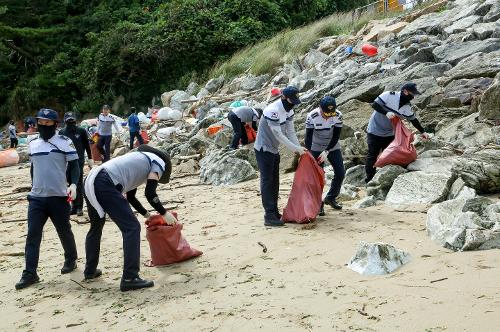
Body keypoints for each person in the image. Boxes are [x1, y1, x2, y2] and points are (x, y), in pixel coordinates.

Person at [83, 145, 175, 291]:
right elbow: (150, 193)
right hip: (104, 181)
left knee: (96, 226)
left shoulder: (139, 159)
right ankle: (130, 278)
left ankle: (90, 271)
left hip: (90, 179)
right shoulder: (158, 162)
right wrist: (164, 213)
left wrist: (148, 215)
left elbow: (131, 197)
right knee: (132, 228)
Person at [15, 108, 80, 290]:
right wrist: (34, 185)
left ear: (55, 124)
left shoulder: (64, 142)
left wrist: (73, 184)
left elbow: (75, 166)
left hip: (58, 196)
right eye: (40, 122)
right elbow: (33, 168)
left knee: (64, 230)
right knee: (32, 236)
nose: (43, 125)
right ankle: (30, 273)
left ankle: (71, 259)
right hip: (36, 198)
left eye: (47, 122)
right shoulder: (33, 143)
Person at [254, 86, 307, 227]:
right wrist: (295, 149)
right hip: (263, 150)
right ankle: (269, 215)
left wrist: (298, 149)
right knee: (267, 182)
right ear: (284, 97)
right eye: (292, 101)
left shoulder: (289, 111)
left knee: (275, 182)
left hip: (274, 150)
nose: (293, 104)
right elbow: (278, 134)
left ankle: (275, 211)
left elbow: (290, 132)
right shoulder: (272, 110)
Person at [365, 82, 429, 183]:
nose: (413, 97)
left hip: (390, 134)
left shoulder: (407, 107)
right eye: (412, 94)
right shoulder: (388, 95)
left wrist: (423, 132)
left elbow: (413, 120)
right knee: (372, 155)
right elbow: (375, 105)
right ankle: (369, 180)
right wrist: (386, 112)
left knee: (390, 156)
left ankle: (385, 178)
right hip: (375, 131)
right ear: (405, 91)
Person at [305, 96, 345, 215]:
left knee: (340, 172)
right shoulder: (312, 116)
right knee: (318, 176)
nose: (328, 116)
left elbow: (336, 136)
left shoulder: (338, 115)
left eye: (330, 113)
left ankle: (331, 197)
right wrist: (310, 152)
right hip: (316, 146)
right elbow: (308, 138)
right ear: (320, 108)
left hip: (332, 145)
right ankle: (318, 203)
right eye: (325, 113)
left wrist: (327, 151)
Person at [59, 112, 94, 216]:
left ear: (75, 120)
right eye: (68, 120)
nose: (71, 122)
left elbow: (87, 146)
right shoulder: (62, 132)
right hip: (66, 162)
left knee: (78, 183)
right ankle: (73, 207)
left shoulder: (81, 131)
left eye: (72, 120)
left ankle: (79, 207)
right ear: (65, 121)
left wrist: (90, 159)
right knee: (69, 183)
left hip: (78, 161)